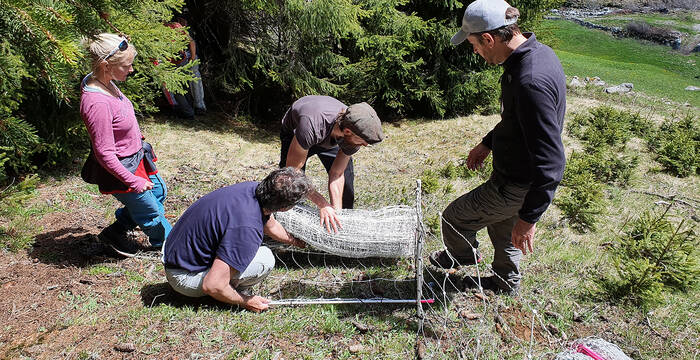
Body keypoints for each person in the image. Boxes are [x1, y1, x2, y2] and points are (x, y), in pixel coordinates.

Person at [429, 0, 566, 295]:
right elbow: (516, 120)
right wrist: (488, 143)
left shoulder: (530, 81)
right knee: (503, 229)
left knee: (454, 218)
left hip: (515, 183)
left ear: (489, 39)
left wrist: (529, 218)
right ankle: (506, 281)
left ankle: (463, 256)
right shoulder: (535, 55)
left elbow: (552, 161)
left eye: (474, 45)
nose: (475, 52)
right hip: (514, 176)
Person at [161, 168, 311, 312]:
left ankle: (225, 285)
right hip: (184, 277)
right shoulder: (247, 229)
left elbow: (270, 225)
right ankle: (227, 295)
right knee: (264, 259)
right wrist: (246, 301)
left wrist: (298, 242)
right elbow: (212, 285)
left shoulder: (253, 189)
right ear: (284, 208)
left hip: (174, 256)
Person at [80, 33, 173, 257]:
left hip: (136, 157)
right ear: (105, 65)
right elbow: (104, 153)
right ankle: (171, 248)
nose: (131, 70)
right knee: (151, 213)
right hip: (122, 168)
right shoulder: (97, 102)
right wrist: (132, 181)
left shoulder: (105, 81)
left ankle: (117, 231)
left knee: (159, 192)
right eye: (127, 65)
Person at [279, 95, 384, 232]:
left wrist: (336, 213)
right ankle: (286, 227)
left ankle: (342, 227)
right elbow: (294, 173)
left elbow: (337, 173)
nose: (364, 145)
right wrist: (323, 204)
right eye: (363, 141)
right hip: (298, 131)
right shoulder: (311, 126)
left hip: (332, 134)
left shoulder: (355, 130)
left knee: (346, 182)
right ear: (347, 131)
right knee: (288, 184)